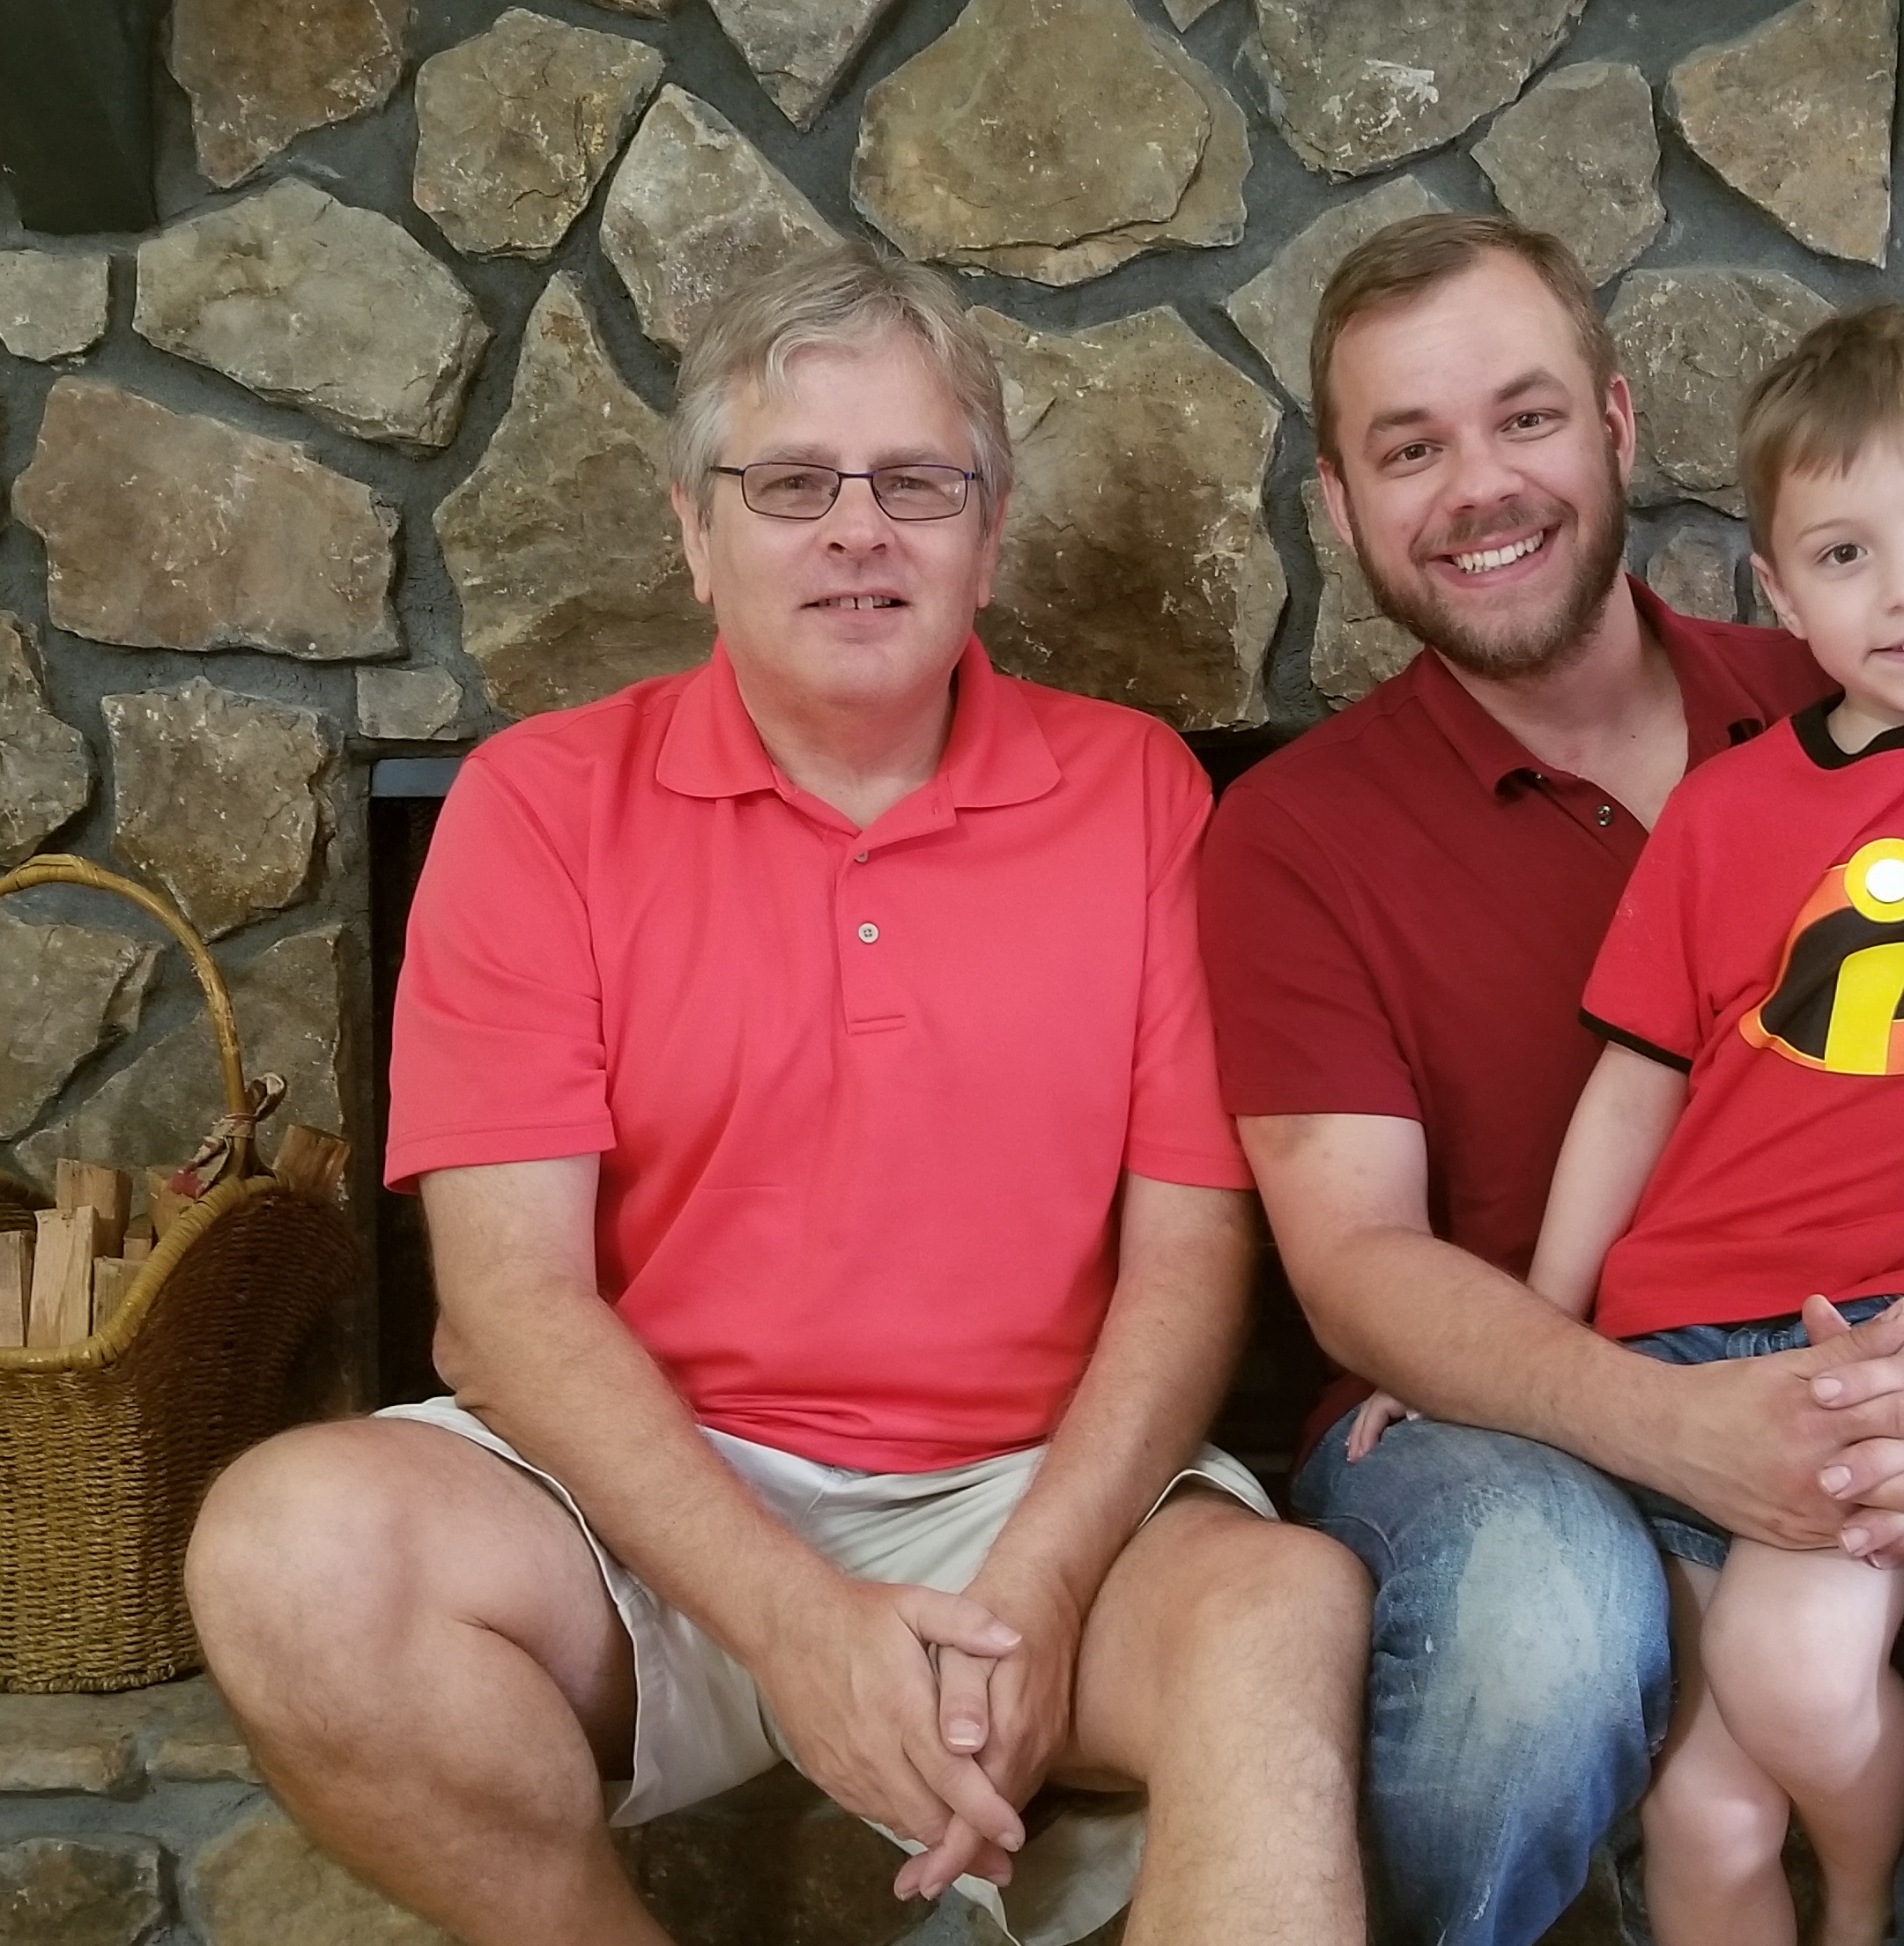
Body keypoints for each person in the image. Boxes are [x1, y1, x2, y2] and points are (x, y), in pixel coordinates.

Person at [183, 243, 1369, 1946]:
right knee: (283, 1553)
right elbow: (506, 1304)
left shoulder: (1140, 795)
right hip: (645, 1513)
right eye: (793, 483)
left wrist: (1040, 1585)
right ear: (694, 533)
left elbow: (1189, 1264)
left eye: (915, 483)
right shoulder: (534, 809)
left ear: (987, 533)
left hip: (1029, 1500)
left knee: (1285, 1613)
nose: (857, 529)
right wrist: (793, 1619)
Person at [1199, 213, 1904, 1946]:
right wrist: (1685, 1431)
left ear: (1615, 423)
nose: (1481, 485)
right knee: (1534, 1638)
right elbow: (1355, 1258)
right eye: (1409, 448)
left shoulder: (1866, 684)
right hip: (1516, 1414)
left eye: (1525, 417)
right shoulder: (1293, 835)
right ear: (1337, 503)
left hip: (1893, 1360)